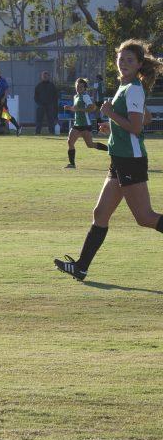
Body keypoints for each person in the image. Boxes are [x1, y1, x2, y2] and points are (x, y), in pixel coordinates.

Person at [55, 40, 163, 281]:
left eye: (130, 60)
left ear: (138, 65)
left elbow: (136, 127)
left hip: (130, 160)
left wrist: (110, 114)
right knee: (100, 213)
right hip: (119, 159)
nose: (123, 63)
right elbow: (146, 117)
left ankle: (82, 266)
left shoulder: (133, 88)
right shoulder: (126, 86)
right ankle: (81, 267)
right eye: (121, 58)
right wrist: (112, 125)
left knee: (145, 217)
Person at [62, 77, 107, 169]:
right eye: (77, 86)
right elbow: (76, 109)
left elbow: (92, 108)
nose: (79, 88)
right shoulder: (76, 96)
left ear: (84, 88)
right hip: (77, 125)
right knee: (70, 142)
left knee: (90, 145)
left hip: (85, 125)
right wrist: (70, 108)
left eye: (81, 87)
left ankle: (111, 150)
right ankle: (72, 164)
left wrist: (79, 109)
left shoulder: (85, 96)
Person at [0, 68, 21, 134]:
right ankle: (18, 127)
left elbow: (6, 89)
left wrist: (4, 98)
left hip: (1, 99)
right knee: (6, 115)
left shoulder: (2, 80)